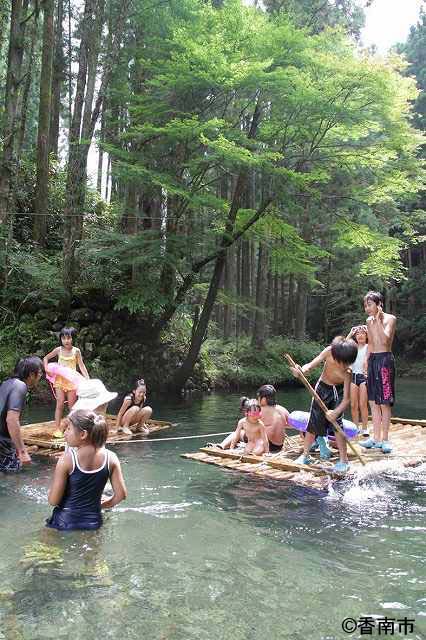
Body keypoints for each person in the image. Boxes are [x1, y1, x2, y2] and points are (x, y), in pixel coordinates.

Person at [46, 410, 127, 531]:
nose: (65, 432)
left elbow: (53, 501)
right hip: (93, 522)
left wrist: (50, 492)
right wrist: (101, 505)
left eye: (68, 428)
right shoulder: (111, 458)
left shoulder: (66, 460)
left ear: (83, 434)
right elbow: (121, 495)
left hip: (64, 522)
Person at [291, 336, 358, 474]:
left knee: (337, 426)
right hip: (322, 388)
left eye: (348, 363)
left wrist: (336, 412)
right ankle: (305, 455)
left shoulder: (348, 372)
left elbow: (346, 399)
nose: (345, 366)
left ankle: (343, 461)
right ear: (335, 355)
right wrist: (301, 371)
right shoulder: (329, 351)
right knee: (313, 423)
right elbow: (310, 365)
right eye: (343, 363)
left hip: (337, 394)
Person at [360, 291, 396, 454]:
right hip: (374, 359)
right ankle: (375, 438)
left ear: (379, 304)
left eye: (369, 304)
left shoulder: (390, 319)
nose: (367, 308)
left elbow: (385, 339)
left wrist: (379, 320)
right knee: (373, 401)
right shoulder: (368, 320)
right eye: (365, 305)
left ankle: (385, 439)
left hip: (385, 361)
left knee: (385, 401)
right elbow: (372, 343)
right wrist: (366, 360)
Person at [43, 327, 89, 437]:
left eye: (68, 338)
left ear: (73, 339)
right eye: (63, 338)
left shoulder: (76, 351)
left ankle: (71, 428)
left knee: (72, 406)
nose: (66, 341)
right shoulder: (58, 350)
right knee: (59, 404)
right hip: (60, 380)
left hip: (72, 381)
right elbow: (45, 358)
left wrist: (87, 379)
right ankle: (57, 429)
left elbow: (81, 366)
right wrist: (46, 369)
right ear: (61, 339)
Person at [0, 356, 43, 472]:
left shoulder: (6, 383)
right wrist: (22, 451)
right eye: (39, 373)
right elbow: (12, 420)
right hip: (3, 445)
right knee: (12, 479)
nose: (40, 376)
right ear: (31, 374)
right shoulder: (20, 386)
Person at [346, 324, 369, 437]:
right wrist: (351, 332)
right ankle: (355, 427)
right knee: (353, 405)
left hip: (364, 377)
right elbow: (343, 344)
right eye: (358, 334)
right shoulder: (353, 347)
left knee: (362, 404)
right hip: (353, 377)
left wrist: (368, 330)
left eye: (362, 334)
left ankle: (365, 428)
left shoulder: (369, 347)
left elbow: (375, 341)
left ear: (366, 336)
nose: (360, 335)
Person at [256, 384, 290, 452]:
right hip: (279, 446)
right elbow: (291, 425)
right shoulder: (283, 409)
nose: (257, 400)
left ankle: (229, 448)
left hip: (267, 444)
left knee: (240, 433)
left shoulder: (261, 410)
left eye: (259, 397)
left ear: (264, 399)